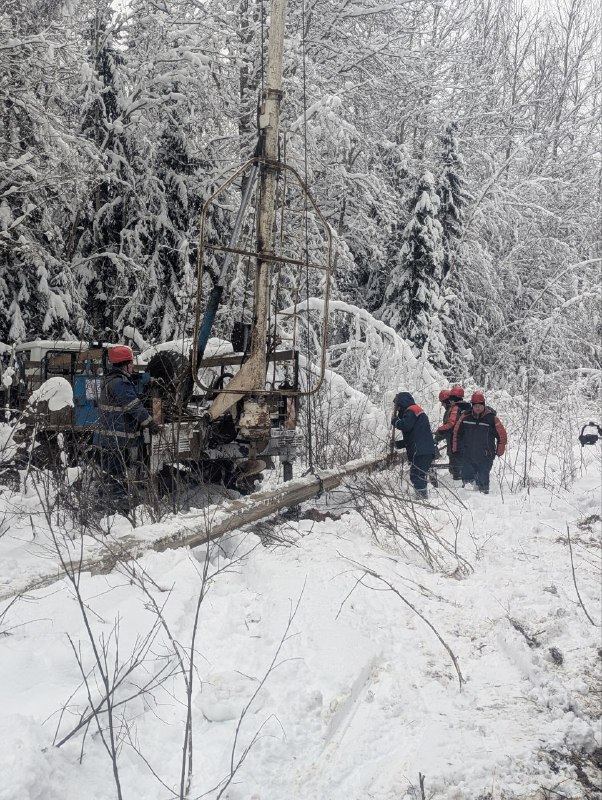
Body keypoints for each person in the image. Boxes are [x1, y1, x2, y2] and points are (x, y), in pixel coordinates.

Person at [93, 345, 160, 511]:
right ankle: (119, 512)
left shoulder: (111, 380)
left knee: (111, 475)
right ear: (126, 365)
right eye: (131, 363)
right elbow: (134, 406)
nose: (133, 367)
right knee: (116, 477)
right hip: (116, 441)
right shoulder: (120, 384)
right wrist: (150, 423)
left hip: (110, 440)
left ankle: (103, 506)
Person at [452, 391, 507, 494]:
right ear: (472, 406)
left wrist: (499, 451)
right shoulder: (464, 417)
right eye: (475, 406)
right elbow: (456, 434)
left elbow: (502, 436)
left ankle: (484, 497)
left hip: (485, 455)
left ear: (484, 405)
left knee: (483, 477)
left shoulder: (492, 419)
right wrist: (456, 450)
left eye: (480, 406)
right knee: (467, 478)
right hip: (467, 454)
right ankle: (468, 500)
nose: (477, 408)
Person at [391, 391, 437, 500]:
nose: (397, 410)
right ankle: (422, 496)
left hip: (420, 451)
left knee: (417, 476)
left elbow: (405, 426)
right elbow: (415, 436)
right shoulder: (416, 411)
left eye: (397, 407)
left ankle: (422, 498)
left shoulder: (411, 411)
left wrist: (395, 421)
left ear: (401, 404)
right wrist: (398, 444)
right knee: (418, 475)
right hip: (424, 449)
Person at [434, 385, 470, 480]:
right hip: (467, 443)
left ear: (448, 401)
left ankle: (459, 485)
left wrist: (436, 437)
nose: (442, 405)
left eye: (442, 403)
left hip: (454, 443)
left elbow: (448, 428)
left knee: (455, 468)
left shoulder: (451, 411)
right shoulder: (467, 408)